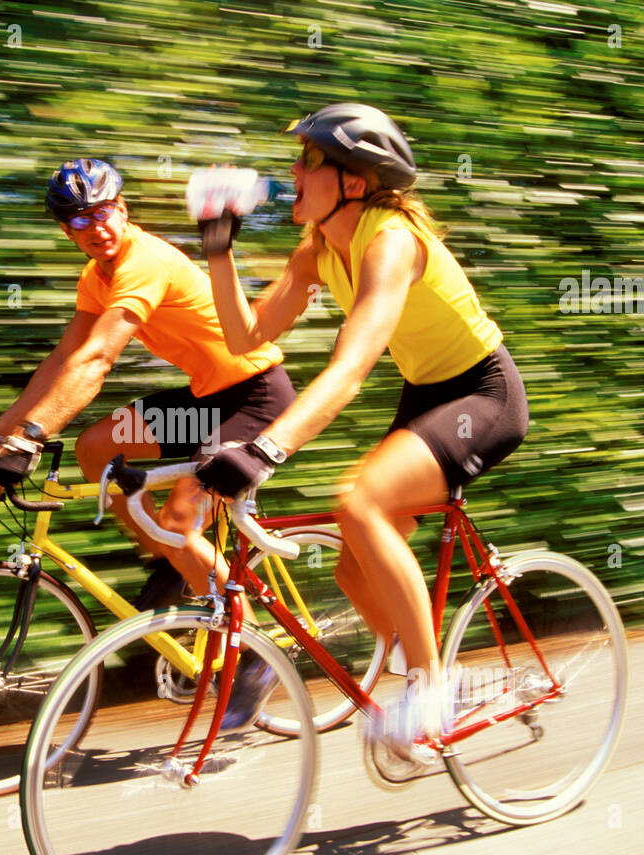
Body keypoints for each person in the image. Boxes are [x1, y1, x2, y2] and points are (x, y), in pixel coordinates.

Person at [191, 104, 529, 771]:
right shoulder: (318, 247)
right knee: (353, 563)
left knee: (360, 501)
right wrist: (218, 253)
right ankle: (428, 675)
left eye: (308, 161)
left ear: (354, 180)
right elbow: (245, 337)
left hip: (483, 395)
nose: (291, 171)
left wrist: (264, 451)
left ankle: (430, 691)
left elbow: (351, 367)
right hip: (426, 393)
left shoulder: (391, 240)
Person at [0, 158, 295, 609]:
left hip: (257, 399)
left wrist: (31, 439)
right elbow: (64, 359)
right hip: (207, 401)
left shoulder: (144, 262)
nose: (95, 228)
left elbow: (97, 360)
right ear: (68, 232)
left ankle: (251, 647)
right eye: (81, 220)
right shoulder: (95, 278)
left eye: (102, 212)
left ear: (122, 209)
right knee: (96, 447)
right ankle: (173, 559)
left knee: (179, 522)